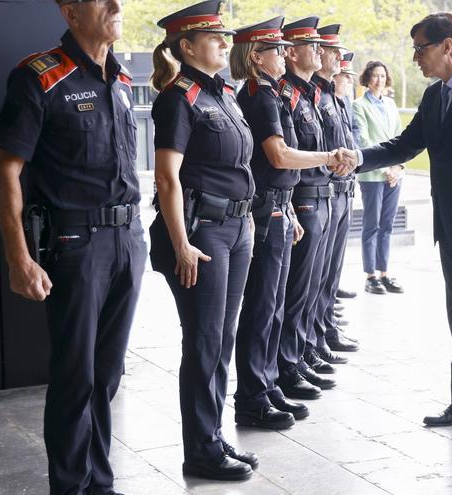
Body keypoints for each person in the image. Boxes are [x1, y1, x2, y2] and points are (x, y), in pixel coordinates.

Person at [335, 12, 452, 440]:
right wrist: (360, 157)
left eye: (420, 49)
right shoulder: (435, 96)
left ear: (447, 46)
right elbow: (406, 144)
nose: (415, 58)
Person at [0, 1, 144, 493]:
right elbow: (6, 169)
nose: (117, 6)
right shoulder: (41, 76)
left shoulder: (120, 82)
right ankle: (71, 485)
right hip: (77, 244)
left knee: (107, 374)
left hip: (127, 239)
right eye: (103, 0)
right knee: (76, 376)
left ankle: (99, 481)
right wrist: (19, 257)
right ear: (71, 11)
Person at [147, 0, 258, 481]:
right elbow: (167, 179)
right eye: (213, 37)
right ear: (186, 46)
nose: (223, 43)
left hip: (236, 230)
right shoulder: (179, 97)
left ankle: (212, 437)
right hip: (201, 233)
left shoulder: (224, 95)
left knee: (222, 337)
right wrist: (181, 245)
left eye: (222, 36)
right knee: (205, 340)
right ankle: (200, 451)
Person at [230, 16, 344, 427]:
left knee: (275, 305)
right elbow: (277, 157)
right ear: (257, 57)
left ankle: (268, 383)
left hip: (279, 205)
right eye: (276, 49)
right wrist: (328, 158)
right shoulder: (261, 96)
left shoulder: (272, 94)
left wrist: (290, 209)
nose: (283, 54)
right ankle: (253, 396)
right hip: (263, 210)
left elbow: (275, 171)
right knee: (263, 306)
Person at [274, 16, 339, 399]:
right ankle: (288, 364)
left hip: (322, 194)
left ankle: (299, 355)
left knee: (312, 285)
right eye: (312, 46)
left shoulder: (312, 94)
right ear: (293, 51)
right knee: (294, 291)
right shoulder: (287, 94)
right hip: (303, 199)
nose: (319, 51)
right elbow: (286, 155)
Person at [307, 24, 361, 358]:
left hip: (339, 189)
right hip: (319, 192)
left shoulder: (331, 96)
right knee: (312, 280)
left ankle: (323, 330)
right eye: (333, 51)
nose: (340, 58)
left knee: (328, 274)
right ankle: (311, 343)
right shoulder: (313, 94)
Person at [352, 60, 406, 295]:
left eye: (383, 76)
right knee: (371, 225)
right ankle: (370, 275)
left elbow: (401, 139)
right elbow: (363, 140)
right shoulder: (359, 106)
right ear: (367, 78)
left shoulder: (391, 105)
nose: (379, 80)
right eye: (375, 76)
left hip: (394, 175)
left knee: (387, 225)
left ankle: (383, 272)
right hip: (373, 175)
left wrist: (398, 167)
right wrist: (385, 167)